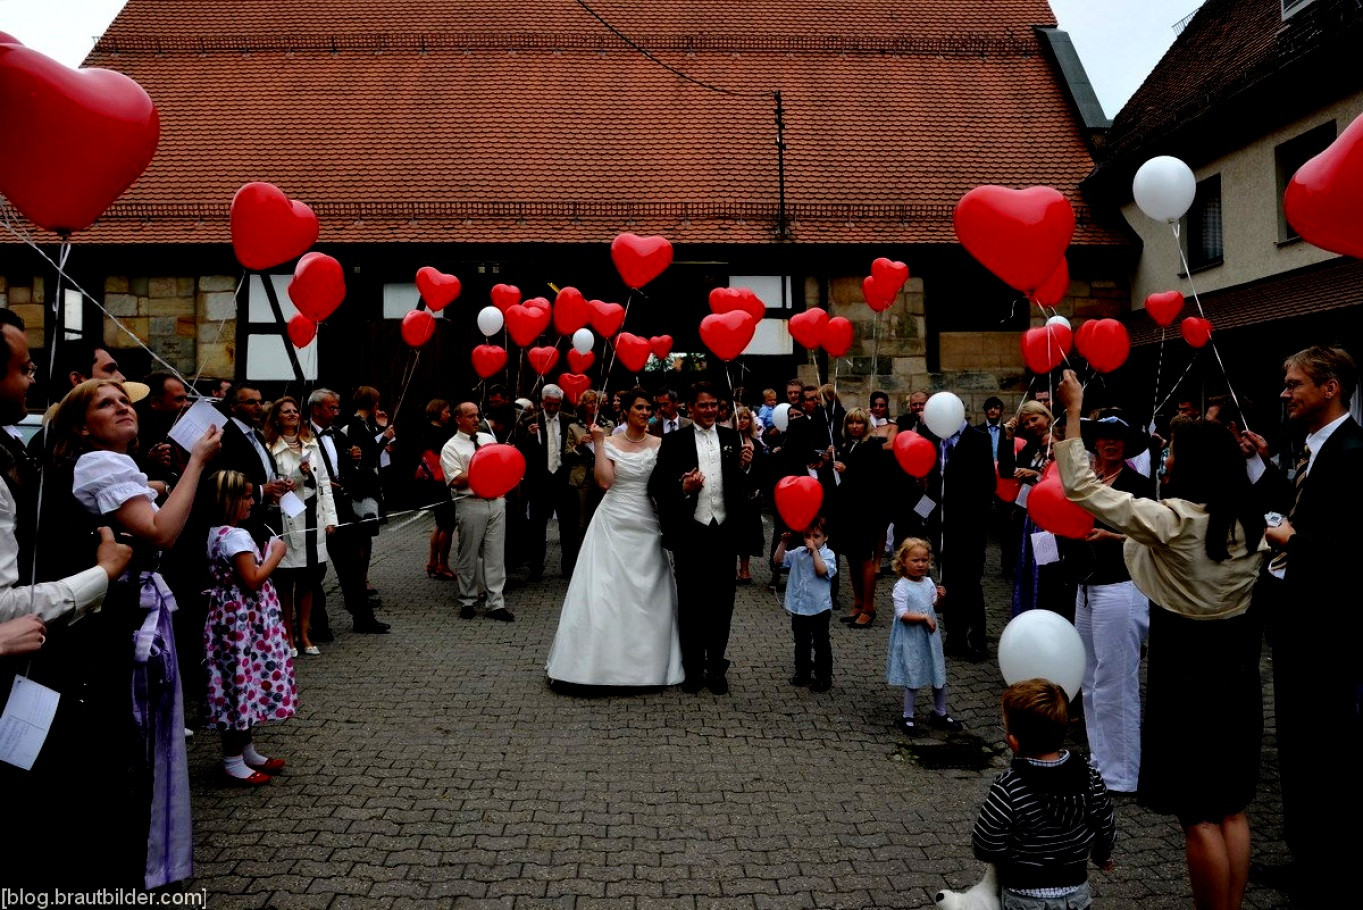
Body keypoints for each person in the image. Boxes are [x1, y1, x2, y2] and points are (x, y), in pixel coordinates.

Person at [1056, 369, 1264, 910]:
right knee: (1233, 808)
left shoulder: (1174, 520)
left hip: (1187, 669)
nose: (1165, 460)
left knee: (1197, 815)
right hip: (1238, 668)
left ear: (1191, 465)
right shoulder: (1253, 522)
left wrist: (1074, 411)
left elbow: (1080, 488)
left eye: (1171, 453)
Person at [47, 378, 221, 889]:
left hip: (132, 611)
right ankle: (131, 862)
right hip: (121, 619)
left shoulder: (114, 465)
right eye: (106, 403)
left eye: (125, 401)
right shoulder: (100, 462)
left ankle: (142, 853)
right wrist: (198, 461)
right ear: (82, 426)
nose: (123, 406)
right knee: (133, 737)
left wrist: (158, 483)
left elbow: (143, 503)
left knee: (142, 736)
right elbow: (161, 531)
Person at [1254, 345, 1363, 904]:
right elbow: (1302, 505)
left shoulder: (1354, 452)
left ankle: (1329, 866)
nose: (1285, 392)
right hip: (1296, 620)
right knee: (1297, 743)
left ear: (1331, 388)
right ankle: (1306, 854)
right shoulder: (1310, 450)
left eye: (1295, 383)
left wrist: (1297, 542)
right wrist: (1263, 463)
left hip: (1328, 632)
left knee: (1324, 748)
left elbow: (1352, 549)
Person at [546, 387, 683, 687]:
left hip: (646, 519)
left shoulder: (661, 444)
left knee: (650, 590)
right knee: (605, 589)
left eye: (649, 408)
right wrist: (598, 444)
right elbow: (605, 482)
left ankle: (650, 665)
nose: (645, 413)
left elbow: (665, 485)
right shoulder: (608, 442)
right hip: (613, 519)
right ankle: (595, 665)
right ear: (626, 412)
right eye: (639, 408)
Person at [1062, 410, 1151, 794]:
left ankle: (1123, 773)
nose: (1110, 443)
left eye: (1118, 437)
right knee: (1091, 680)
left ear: (1127, 444)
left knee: (1116, 681)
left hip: (1121, 587)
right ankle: (1101, 760)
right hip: (1085, 586)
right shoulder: (1089, 481)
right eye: (1103, 436)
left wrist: (1115, 539)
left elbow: (1155, 537)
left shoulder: (1138, 485)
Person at [972, 679, 1116, 910]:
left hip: (1023, 896)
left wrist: (1008, 859)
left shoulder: (1008, 787)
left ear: (1014, 742)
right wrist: (1102, 854)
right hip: (1075, 895)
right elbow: (1105, 822)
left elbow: (985, 843)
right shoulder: (1090, 776)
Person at [650, 381, 752, 694]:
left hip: (723, 530)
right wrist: (683, 488)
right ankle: (692, 668)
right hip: (691, 531)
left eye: (713, 406)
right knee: (692, 602)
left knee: (722, 603)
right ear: (690, 408)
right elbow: (656, 486)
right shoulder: (674, 441)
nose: (709, 410)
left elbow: (742, 488)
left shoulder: (732, 438)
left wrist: (745, 468)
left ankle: (716, 666)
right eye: (703, 405)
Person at [203, 470, 296, 784]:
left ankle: (247, 750)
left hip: (231, 620)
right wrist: (275, 555)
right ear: (227, 500)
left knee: (243, 682)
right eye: (244, 497)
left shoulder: (216, 532)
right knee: (238, 686)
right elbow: (253, 579)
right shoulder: (236, 537)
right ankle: (233, 760)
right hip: (242, 623)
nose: (251, 502)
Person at [308, 388, 387, 635]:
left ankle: (363, 619)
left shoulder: (337, 435)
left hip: (342, 508)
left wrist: (353, 459)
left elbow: (352, 465)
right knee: (314, 570)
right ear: (316, 409)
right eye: (331, 408)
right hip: (315, 511)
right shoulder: (304, 435)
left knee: (352, 565)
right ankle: (318, 624)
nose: (335, 412)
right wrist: (320, 481)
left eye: (336, 408)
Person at [266, 395, 338, 656]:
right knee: (287, 580)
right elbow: (278, 483)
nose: (292, 415)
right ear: (276, 417)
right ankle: (287, 633)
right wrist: (300, 473)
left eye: (295, 411)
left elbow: (324, 483)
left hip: (313, 517)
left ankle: (304, 632)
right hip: (288, 517)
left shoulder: (311, 445)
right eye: (286, 411)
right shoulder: (270, 448)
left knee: (309, 579)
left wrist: (331, 519)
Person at [441, 401, 512, 621]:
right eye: (470, 416)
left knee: (495, 554)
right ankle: (468, 599)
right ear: (458, 419)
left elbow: (500, 465)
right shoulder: (450, 447)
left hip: (496, 501)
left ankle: (495, 602)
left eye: (477, 415)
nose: (476, 420)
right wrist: (480, 470)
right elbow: (455, 480)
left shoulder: (488, 439)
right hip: (471, 502)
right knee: (469, 553)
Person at [885, 538, 958, 734]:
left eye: (924, 560)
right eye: (915, 560)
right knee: (913, 674)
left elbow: (935, 607)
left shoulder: (928, 582)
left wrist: (940, 599)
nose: (920, 565)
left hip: (929, 637)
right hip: (911, 638)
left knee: (938, 672)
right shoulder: (901, 586)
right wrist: (924, 617)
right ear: (903, 562)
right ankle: (907, 715)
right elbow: (902, 614)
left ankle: (940, 712)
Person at [832, 407, 888, 627]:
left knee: (865, 559)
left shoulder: (872, 446)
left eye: (859, 423)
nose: (855, 426)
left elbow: (871, 480)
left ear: (866, 425)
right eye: (851, 423)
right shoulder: (847, 446)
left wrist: (848, 471)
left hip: (866, 512)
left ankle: (869, 608)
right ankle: (857, 604)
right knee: (852, 560)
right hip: (848, 512)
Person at [517, 384, 576, 580]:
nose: (552, 409)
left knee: (567, 527)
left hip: (562, 480)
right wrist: (528, 437)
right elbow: (521, 453)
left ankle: (568, 567)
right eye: (548, 404)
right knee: (537, 527)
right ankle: (536, 567)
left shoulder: (570, 421)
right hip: (539, 482)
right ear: (542, 403)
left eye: (556, 405)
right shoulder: (528, 421)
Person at [774, 515, 836, 691]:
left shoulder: (828, 555)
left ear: (825, 538)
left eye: (816, 536)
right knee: (801, 641)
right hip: (799, 607)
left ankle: (824, 677)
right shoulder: (798, 553)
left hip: (819, 608)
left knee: (821, 643)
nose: (811, 540)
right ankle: (802, 672)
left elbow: (821, 570)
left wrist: (815, 552)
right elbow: (778, 560)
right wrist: (783, 543)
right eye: (807, 536)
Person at [565, 389, 613, 543]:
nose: (594, 405)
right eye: (591, 402)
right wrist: (579, 445)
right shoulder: (574, 426)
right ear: (583, 405)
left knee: (602, 519)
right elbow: (567, 455)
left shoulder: (608, 425)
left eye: (597, 402)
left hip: (603, 476)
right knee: (581, 523)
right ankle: (581, 558)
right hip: (582, 478)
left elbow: (614, 452)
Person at [417, 398, 456, 580]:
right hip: (443, 483)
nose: (449, 414)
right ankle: (443, 564)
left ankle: (432, 561)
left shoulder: (424, 430)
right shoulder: (442, 434)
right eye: (447, 411)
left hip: (432, 483)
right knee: (448, 526)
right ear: (438, 412)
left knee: (439, 524)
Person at [733, 406, 766, 584]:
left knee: (748, 533)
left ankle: (745, 569)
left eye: (746, 417)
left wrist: (759, 490)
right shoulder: (729, 442)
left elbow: (762, 469)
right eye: (739, 417)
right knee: (735, 533)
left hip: (752, 496)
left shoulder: (757, 444)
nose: (743, 420)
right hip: (735, 494)